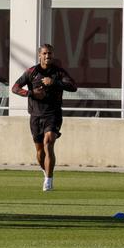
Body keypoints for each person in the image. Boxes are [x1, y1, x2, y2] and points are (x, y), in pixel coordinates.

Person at [11, 44, 77, 191]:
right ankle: (45, 170)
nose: (48, 56)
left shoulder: (59, 72)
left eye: (50, 54)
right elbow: (15, 88)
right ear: (39, 55)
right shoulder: (31, 72)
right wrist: (31, 93)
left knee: (49, 142)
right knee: (40, 152)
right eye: (45, 54)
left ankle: (49, 180)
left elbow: (73, 86)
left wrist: (54, 82)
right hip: (35, 116)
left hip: (53, 114)